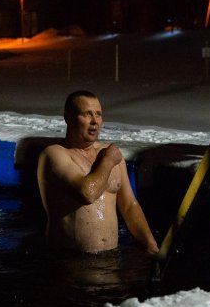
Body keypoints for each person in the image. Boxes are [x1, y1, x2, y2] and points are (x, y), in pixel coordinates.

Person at [37, 90, 159, 255]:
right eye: (87, 114)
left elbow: (130, 206)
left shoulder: (110, 153)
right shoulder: (55, 155)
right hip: (70, 259)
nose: (95, 121)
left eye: (98, 115)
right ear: (68, 118)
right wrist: (108, 161)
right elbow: (87, 193)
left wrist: (150, 244)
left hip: (110, 258)